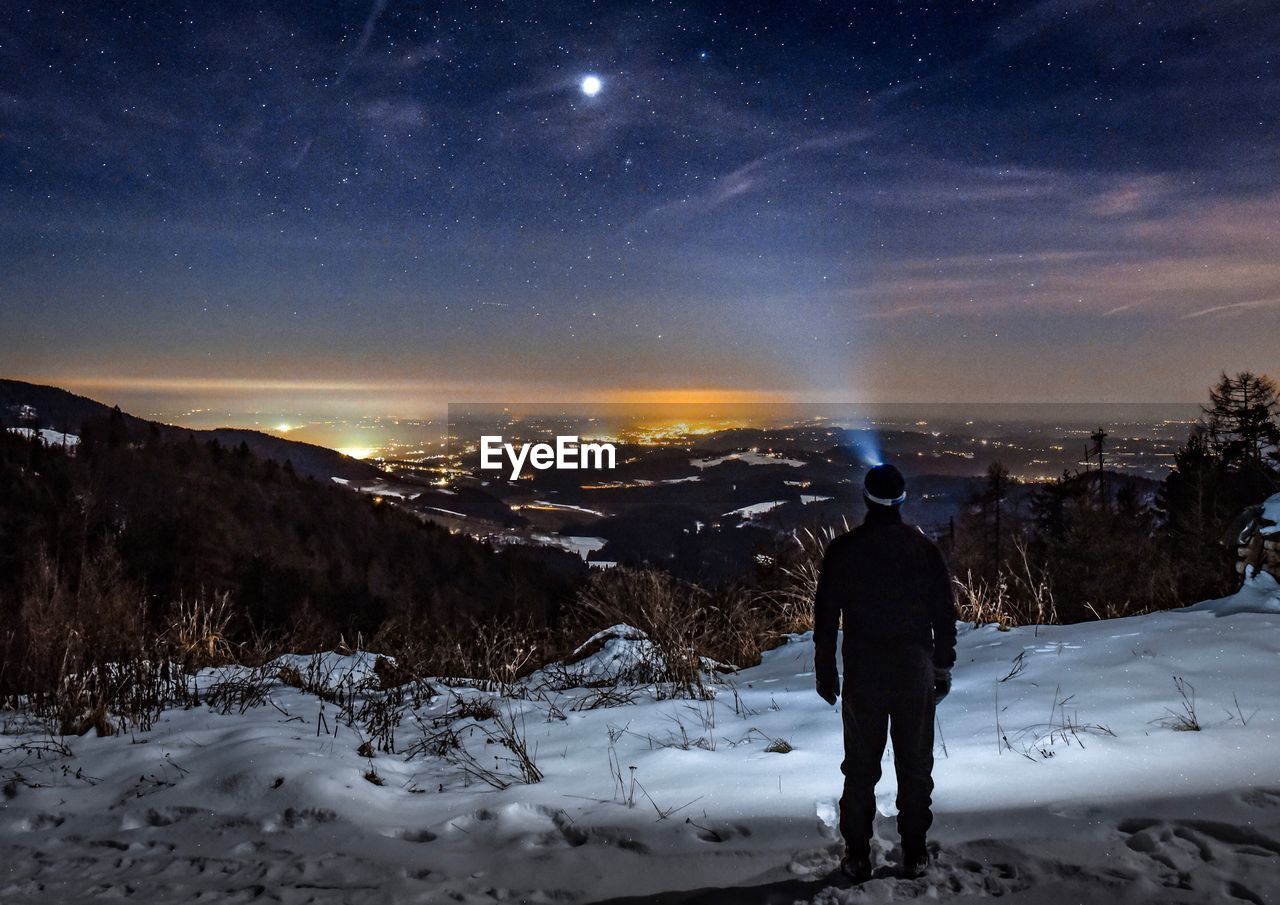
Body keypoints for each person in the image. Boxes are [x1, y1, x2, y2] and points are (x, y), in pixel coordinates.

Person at [813, 463, 957, 882]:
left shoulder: (843, 550)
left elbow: (825, 617)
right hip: (914, 671)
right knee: (914, 765)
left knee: (860, 767)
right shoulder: (923, 550)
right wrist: (942, 665)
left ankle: (857, 855)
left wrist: (826, 671)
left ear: (865, 499)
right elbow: (944, 613)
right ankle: (914, 852)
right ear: (902, 500)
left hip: (864, 673)